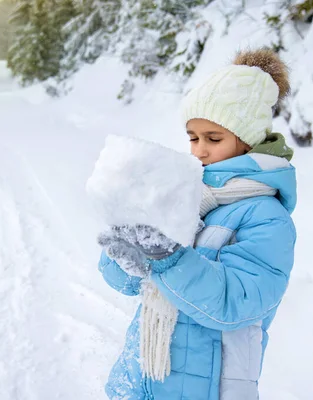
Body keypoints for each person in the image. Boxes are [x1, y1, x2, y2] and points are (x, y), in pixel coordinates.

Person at [97, 48, 297, 399]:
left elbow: (233, 304)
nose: (199, 151)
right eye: (193, 137)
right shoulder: (187, 195)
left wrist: (168, 258)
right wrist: (124, 252)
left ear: (247, 140)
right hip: (145, 376)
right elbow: (130, 286)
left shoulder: (267, 217)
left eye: (213, 138)